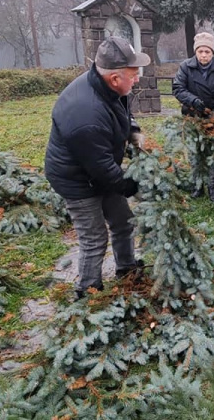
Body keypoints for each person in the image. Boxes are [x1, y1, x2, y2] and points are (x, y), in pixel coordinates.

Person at [44, 36, 150, 299]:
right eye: (133, 74)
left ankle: (126, 268)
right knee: (94, 238)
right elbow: (102, 170)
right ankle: (88, 292)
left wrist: (133, 130)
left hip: (100, 168)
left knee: (123, 222)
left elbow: (122, 107)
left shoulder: (108, 85)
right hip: (77, 180)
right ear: (115, 78)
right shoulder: (86, 114)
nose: (137, 79)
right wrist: (134, 186)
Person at [173, 32, 214, 202]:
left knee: (213, 153)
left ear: (212, 52)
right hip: (193, 117)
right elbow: (178, 88)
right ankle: (197, 186)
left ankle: (213, 188)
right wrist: (193, 101)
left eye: (207, 51)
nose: (204, 55)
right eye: (200, 51)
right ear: (196, 52)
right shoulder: (186, 67)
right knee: (195, 153)